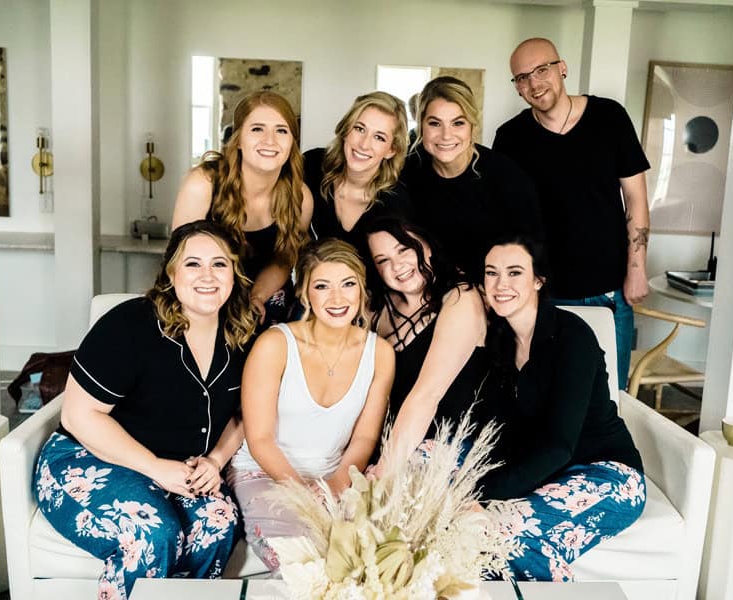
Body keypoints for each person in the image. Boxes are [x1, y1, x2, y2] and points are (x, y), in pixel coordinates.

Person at [33, 220, 258, 600]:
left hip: (183, 468)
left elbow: (244, 412)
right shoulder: (130, 324)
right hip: (87, 459)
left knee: (219, 523)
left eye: (220, 264)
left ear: (234, 274)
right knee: (153, 533)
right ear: (171, 273)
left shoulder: (242, 332)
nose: (208, 275)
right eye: (193, 264)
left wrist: (216, 461)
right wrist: (154, 467)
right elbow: (79, 416)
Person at [480, 232, 645, 582]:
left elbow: (560, 445)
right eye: (491, 272)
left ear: (539, 280)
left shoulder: (573, 336)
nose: (500, 284)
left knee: (504, 532)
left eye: (514, 272)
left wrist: (485, 495)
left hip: (608, 475)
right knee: (482, 539)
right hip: (552, 476)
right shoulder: (498, 341)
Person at [493, 37, 651, 389]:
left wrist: (636, 269)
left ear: (562, 68)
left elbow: (636, 199)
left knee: (610, 394)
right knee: (550, 393)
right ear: (517, 87)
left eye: (542, 70)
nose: (534, 83)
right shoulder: (510, 138)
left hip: (609, 290)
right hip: (544, 294)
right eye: (522, 77)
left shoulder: (609, 117)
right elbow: (506, 222)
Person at [228, 239, 394, 570]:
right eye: (322, 286)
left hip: (336, 476)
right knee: (307, 563)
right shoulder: (275, 344)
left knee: (376, 560)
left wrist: (334, 485)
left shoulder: (380, 353)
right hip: (264, 472)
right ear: (305, 293)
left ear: (362, 289)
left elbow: (364, 439)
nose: (337, 298)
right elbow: (259, 438)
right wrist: (303, 494)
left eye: (348, 285)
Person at [174, 90, 314, 325]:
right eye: (257, 129)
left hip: (267, 299)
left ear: (292, 141)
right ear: (238, 139)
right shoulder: (203, 184)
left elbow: (284, 259)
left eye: (281, 130)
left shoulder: (300, 196)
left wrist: (257, 296)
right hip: (205, 296)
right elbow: (180, 261)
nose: (270, 140)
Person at [365, 216, 488, 466]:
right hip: (393, 441)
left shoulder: (460, 297)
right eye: (383, 260)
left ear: (427, 245)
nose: (397, 265)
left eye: (404, 249)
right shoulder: (377, 309)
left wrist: (386, 467)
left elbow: (427, 394)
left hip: (451, 443)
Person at [401, 76, 543, 284]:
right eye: (435, 123)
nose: (446, 135)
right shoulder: (407, 173)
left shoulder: (505, 175)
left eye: (458, 123)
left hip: (493, 292)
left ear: (472, 126)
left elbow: (532, 248)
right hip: (426, 290)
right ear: (421, 126)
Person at [304, 91, 411, 257]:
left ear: (391, 150)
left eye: (379, 137)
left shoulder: (397, 202)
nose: (364, 144)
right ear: (347, 129)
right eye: (360, 129)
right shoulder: (313, 165)